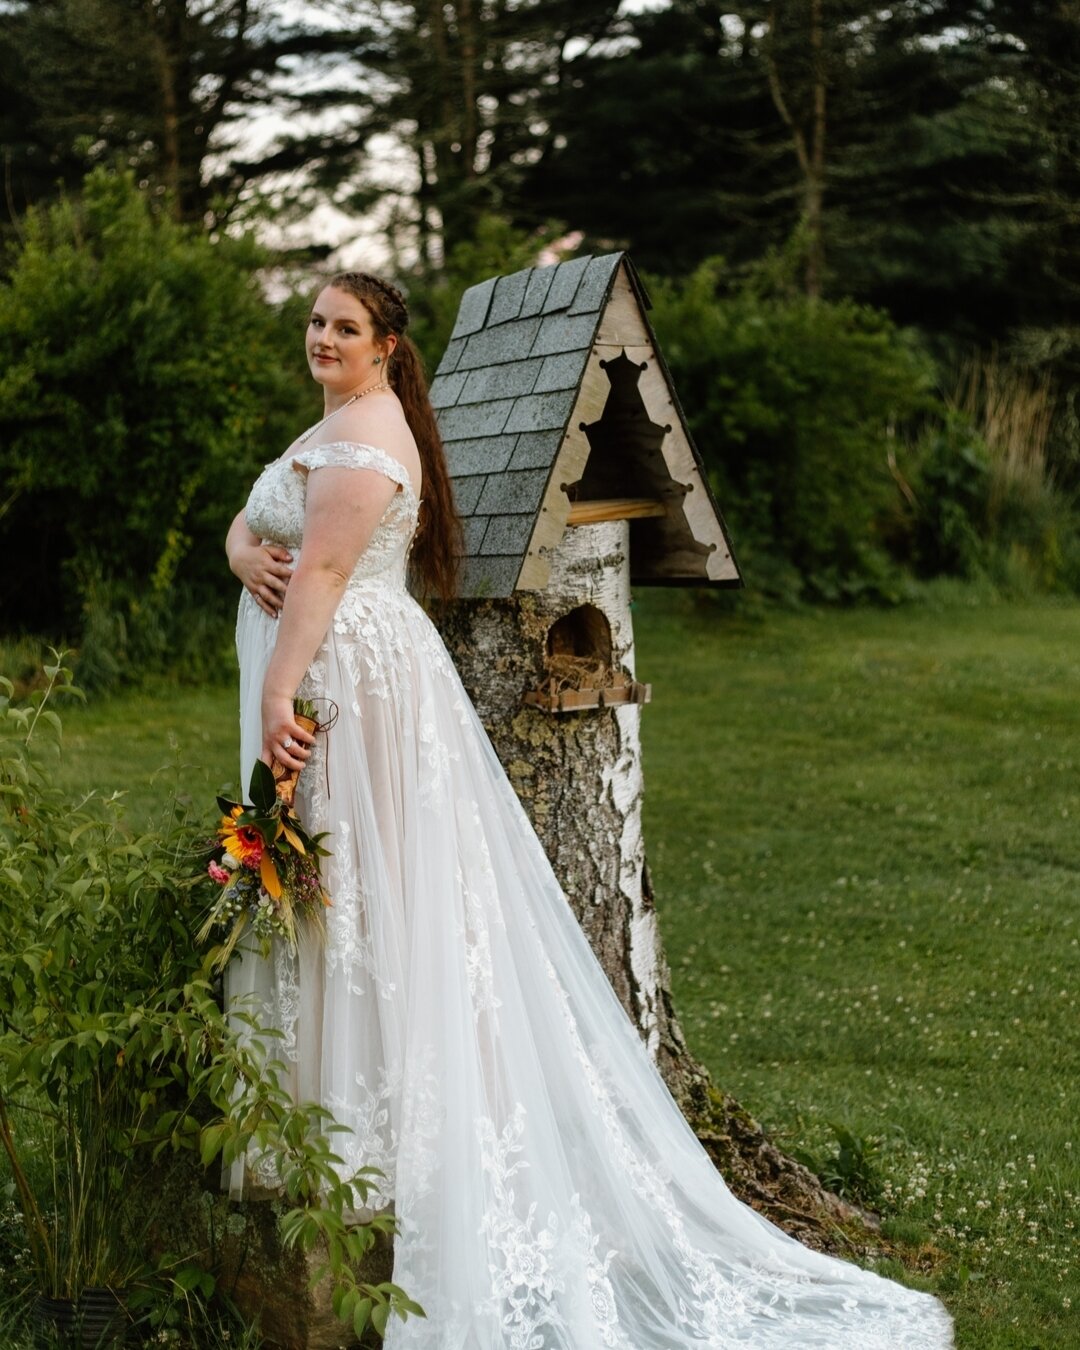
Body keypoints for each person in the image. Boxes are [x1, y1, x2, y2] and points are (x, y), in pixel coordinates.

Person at [224, 271, 954, 1348]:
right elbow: (259, 530)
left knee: (357, 887)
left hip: (344, 682)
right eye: (316, 321)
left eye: (345, 326)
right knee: (341, 885)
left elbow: (325, 573)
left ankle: (377, 1145)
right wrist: (245, 553)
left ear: (386, 346)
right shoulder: (332, 424)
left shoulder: (368, 438)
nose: (323, 338)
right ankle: (338, 1131)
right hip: (337, 660)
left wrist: (283, 693)